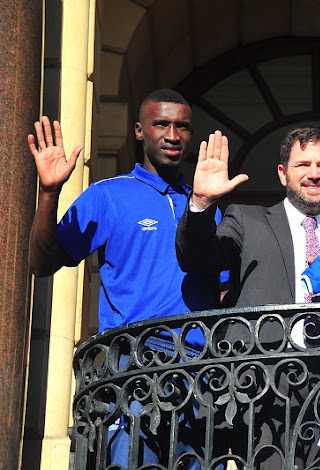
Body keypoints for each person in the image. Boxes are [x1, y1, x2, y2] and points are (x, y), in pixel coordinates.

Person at [28, 88, 225, 466]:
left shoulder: (205, 203)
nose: (172, 135)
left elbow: (225, 290)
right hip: (135, 373)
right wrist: (50, 192)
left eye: (182, 126)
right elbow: (41, 263)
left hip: (201, 379)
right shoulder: (108, 195)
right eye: (161, 124)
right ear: (139, 131)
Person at [175, 124, 320, 469]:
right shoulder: (246, 220)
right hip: (260, 397)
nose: (314, 174)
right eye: (302, 165)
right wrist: (202, 203)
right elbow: (197, 259)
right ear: (283, 174)